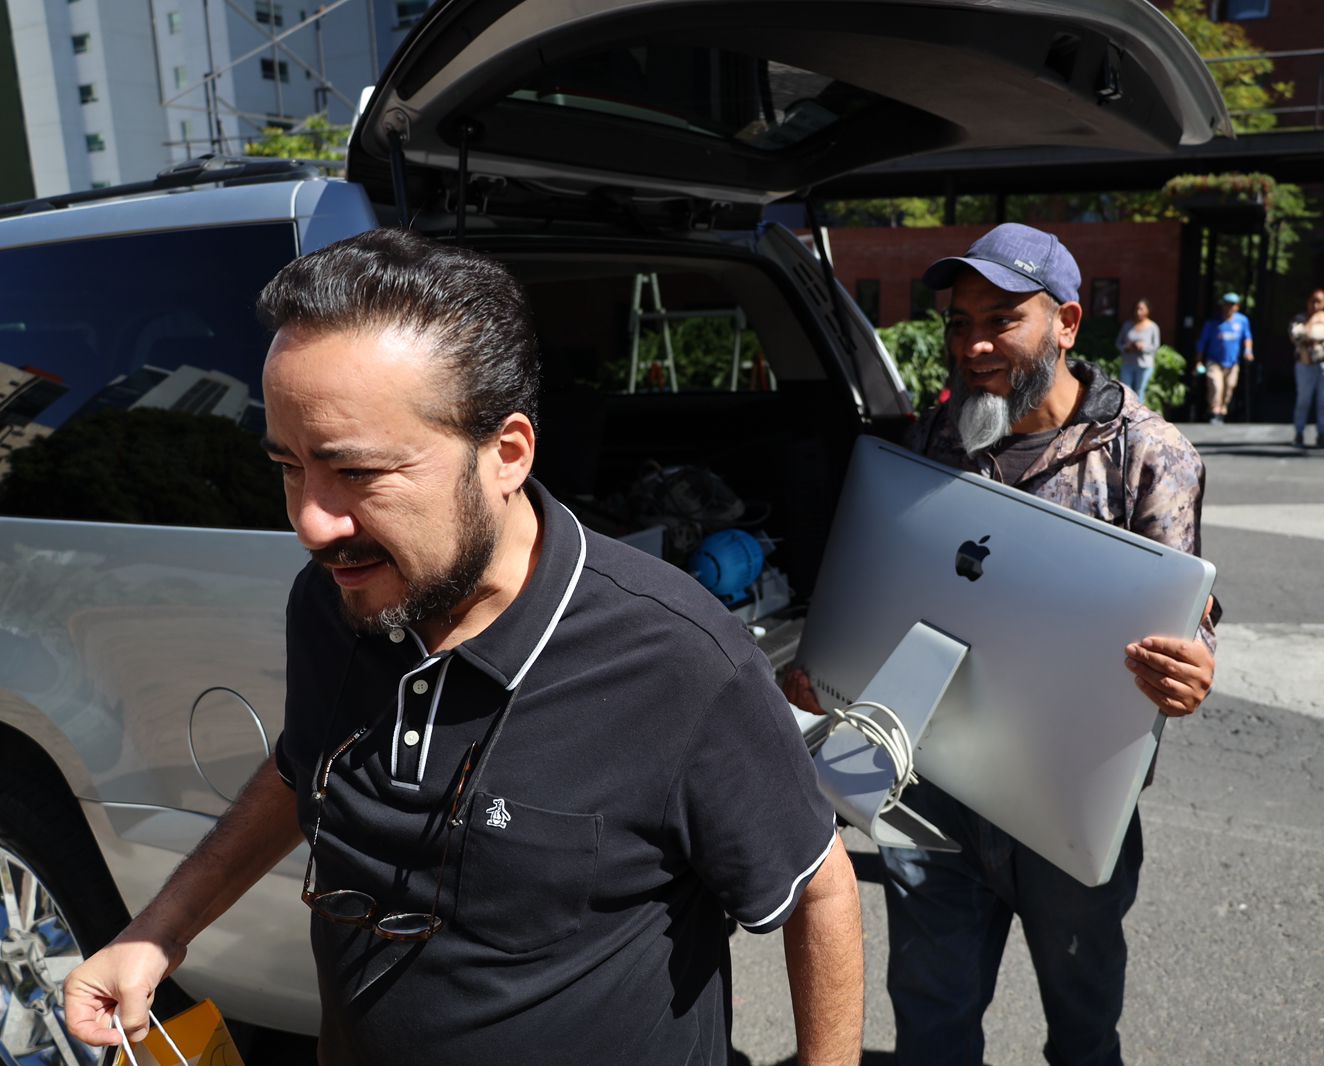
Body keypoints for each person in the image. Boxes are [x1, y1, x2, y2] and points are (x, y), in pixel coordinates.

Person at [62, 230, 864, 1066]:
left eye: (357, 473)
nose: (310, 523)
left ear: (506, 454)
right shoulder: (337, 597)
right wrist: (161, 930)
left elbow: (821, 891)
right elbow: (305, 763)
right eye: (289, 467)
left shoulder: (679, 661)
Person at [786, 223, 1217, 1066]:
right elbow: (890, 586)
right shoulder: (934, 439)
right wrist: (831, 671)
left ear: (1067, 323)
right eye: (959, 322)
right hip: (932, 786)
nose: (973, 345)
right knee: (931, 1024)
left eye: (1001, 320)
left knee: (1083, 1035)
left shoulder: (1149, 454)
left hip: (1069, 804)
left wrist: (1191, 673)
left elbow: (1187, 623)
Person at [1288, 288, 1324, 448]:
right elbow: (1296, 335)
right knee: (1303, 400)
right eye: (1313, 301)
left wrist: (1311, 335)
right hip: (1305, 364)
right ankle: (1299, 433)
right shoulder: (1300, 319)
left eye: (1319, 301)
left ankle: (1322, 434)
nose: (1315, 305)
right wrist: (1312, 324)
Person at [1195, 292, 1253, 425]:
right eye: (1227, 305)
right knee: (1216, 385)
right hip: (1214, 361)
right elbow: (1202, 342)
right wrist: (1198, 361)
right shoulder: (1213, 323)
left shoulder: (1242, 321)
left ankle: (1222, 410)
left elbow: (1247, 337)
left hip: (1232, 362)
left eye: (1232, 305)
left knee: (1230, 386)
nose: (1229, 308)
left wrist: (1248, 351)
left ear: (1237, 307)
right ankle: (1214, 411)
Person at [1116, 298, 1161, 404]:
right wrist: (1126, 348)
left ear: (1148, 310)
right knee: (1126, 390)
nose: (1138, 312)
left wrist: (1143, 347)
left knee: (1139, 390)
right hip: (1128, 363)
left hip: (1144, 365)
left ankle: (1138, 412)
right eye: (1137, 309)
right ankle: (1125, 411)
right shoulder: (1127, 325)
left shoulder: (1153, 327)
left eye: (1141, 309)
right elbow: (1118, 343)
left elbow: (1156, 346)